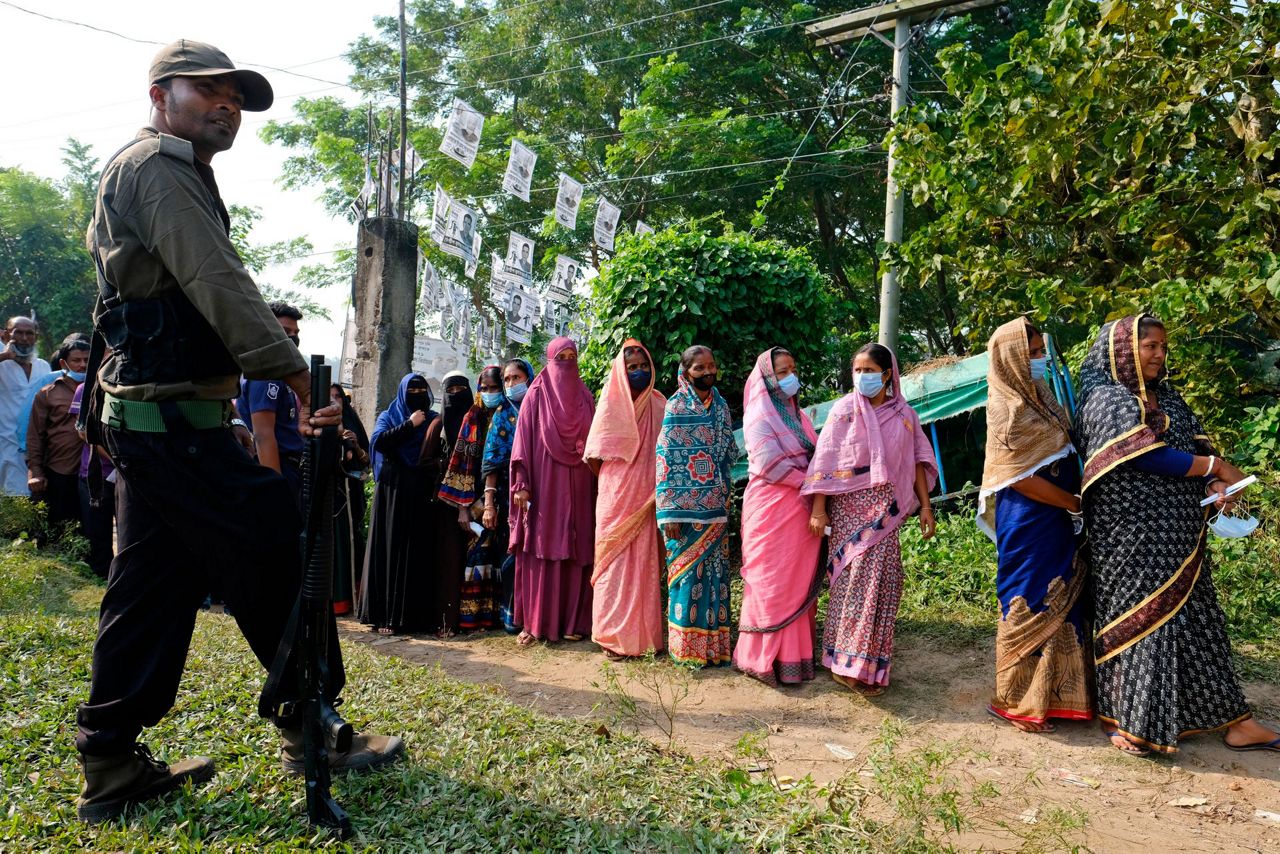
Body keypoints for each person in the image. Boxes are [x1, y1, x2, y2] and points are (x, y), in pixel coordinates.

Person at [75, 40, 401, 825]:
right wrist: (295, 379)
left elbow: (210, 286)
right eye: (209, 91)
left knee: (151, 590)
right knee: (277, 553)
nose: (228, 106)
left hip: (165, 425)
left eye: (237, 97)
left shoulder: (180, 173)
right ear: (161, 94)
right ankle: (313, 728)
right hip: (174, 430)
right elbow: (218, 283)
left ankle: (111, 762)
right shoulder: (156, 165)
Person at [1074, 314, 1278, 755]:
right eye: (1150, 347)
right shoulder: (1105, 399)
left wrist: (1215, 485)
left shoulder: (1167, 396)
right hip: (1132, 535)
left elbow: (1195, 448)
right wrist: (1215, 467)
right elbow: (1145, 456)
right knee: (1143, 620)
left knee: (1199, 619)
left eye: (1163, 347)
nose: (1159, 355)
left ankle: (1235, 721)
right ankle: (1132, 722)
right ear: (1124, 349)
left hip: (1181, 533)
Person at [977, 319, 1092, 732]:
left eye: (1042, 351)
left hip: (1059, 516)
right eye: (1033, 353)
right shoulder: (1006, 407)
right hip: (1029, 520)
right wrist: (1070, 502)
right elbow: (1019, 477)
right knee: (1029, 598)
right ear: (1011, 358)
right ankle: (1017, 701)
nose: (1041, 360)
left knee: (1064, 596)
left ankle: (1062, 697)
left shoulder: (1043, 397)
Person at [802, 344, 937, 696]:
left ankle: (869, 662)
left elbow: (918, 461)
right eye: (857, 370)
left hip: (887, 511)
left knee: (884, 582)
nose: (862, 377)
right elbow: (825, 463)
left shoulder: (905, 414)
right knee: (852, 582)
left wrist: (925, 507)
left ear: (888, 373)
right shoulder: (843, 411)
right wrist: (819, 508)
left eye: (869, 370)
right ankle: (843, 662)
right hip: (848, 508)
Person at [733, 347, 822, 686]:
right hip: (771, 508)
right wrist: (812, 484)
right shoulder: (759, 412)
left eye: (792, 369)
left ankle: (794, 658)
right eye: (782, 372)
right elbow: (770, 464)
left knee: (796, 582)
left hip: (800, 509)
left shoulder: (798, 416)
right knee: (770, 581)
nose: (790, 377)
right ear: (768, 379)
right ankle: (761, 659)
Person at [359, 373, 462, 636]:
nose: (416, 393)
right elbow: (379, 442)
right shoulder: (390, 415)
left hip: (421, 493)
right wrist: (408, 425)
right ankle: (385, 616)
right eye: (411, 389)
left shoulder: (434, 419)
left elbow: (439, 453)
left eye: (421, 389)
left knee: (417, 552)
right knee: (390, 549)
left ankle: (416, 618)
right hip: (392, 492)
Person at [655, 345, 738, 667]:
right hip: (682, 516)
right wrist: (669, 514)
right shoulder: (675, 407)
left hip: (716, 508)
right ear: (685, 372)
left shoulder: (720, 406)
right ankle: (686, 651)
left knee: (716, 580)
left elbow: (728, 453)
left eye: (711, 366)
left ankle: (714, 649)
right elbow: (664, 462)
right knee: (687, 581)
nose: (707, 372)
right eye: (699, 368)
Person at [584, 339, 667, 659]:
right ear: (621, 370)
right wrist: (620, 481)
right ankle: (611, 637)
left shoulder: (661, 404)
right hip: (616, 496)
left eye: (644, 366)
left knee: (644, 566)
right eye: (632, 367)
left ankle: (644, 639)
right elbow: (594, 456)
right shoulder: (610, 402)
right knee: (613, 565)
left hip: (649, 497)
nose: (640, 372)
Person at [509, 337, 596, 645]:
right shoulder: (535, 396)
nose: (567, 363)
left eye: (572, 357)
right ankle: (535, 624)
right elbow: (521, 445)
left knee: (577, 550)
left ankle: (573, 622)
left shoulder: (586, 397)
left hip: (581, 483)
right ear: (549, 360)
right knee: (543, 548)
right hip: (545, 485)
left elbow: (598, 437)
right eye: (561, 357)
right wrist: (521, 484)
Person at [439, 366, 504, 631]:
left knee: (502, 556)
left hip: (509, 494)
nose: (489, 393)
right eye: (484, 388)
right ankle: (475, 618)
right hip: (477, 498)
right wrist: (464, 508)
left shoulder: (513, 414)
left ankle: (501, 617)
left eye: (494, 388)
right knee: (478, 555)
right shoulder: (473, 418)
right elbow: (462, 463)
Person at [481, 358, 533, 633]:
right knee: (511, 553)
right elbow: (491, 462)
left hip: (541, 492)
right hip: (508, 494)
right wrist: (489, 503)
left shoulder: (540, 407)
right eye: (508, 380)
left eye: (517, 378)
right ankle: (512, 615)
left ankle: (536, 613)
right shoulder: (503, 413)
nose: (512, 384)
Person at [237, 301, 305, 501]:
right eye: (285, 331)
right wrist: (276, 490)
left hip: (286, 465)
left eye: (295, 332)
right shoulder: (266, 372)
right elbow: (263, 435)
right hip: (276, 465)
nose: (293, 338)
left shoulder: (280, 372)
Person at [26, 334, 91, 532]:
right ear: (64, 363)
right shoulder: (48, 393)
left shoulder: (100, 389)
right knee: (61, 529)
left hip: (93, 472)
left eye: (87, 360)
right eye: (76, 360)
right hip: (61, 470)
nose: (82, 365)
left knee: (93, 531)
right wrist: (36, 471)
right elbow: (35, 435)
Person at [68, 382, 117, 579]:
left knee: (132, 533)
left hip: (132, 475)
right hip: (97, 475)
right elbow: (84, 432)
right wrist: (119, 462)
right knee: (97, 534)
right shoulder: (86, 388)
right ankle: (101, 579)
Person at [0, 316, 52, 496]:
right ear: (7, 335)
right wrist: (5, 355)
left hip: (40, 451)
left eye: (29, 333)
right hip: (8, 448)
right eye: (18, 333)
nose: (24, 338)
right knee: (15, 504)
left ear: (36, 337)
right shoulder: (2, 364)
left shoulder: (44, 367)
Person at [331, 383, 369, 616]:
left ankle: (350, 599)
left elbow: (366, 460)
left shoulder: (351, 421)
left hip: (350, 493)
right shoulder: (315, 422)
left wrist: (354, 445)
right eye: (329, 396)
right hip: (328, 493)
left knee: (350, 541)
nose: (334, 400)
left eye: (338, 396)